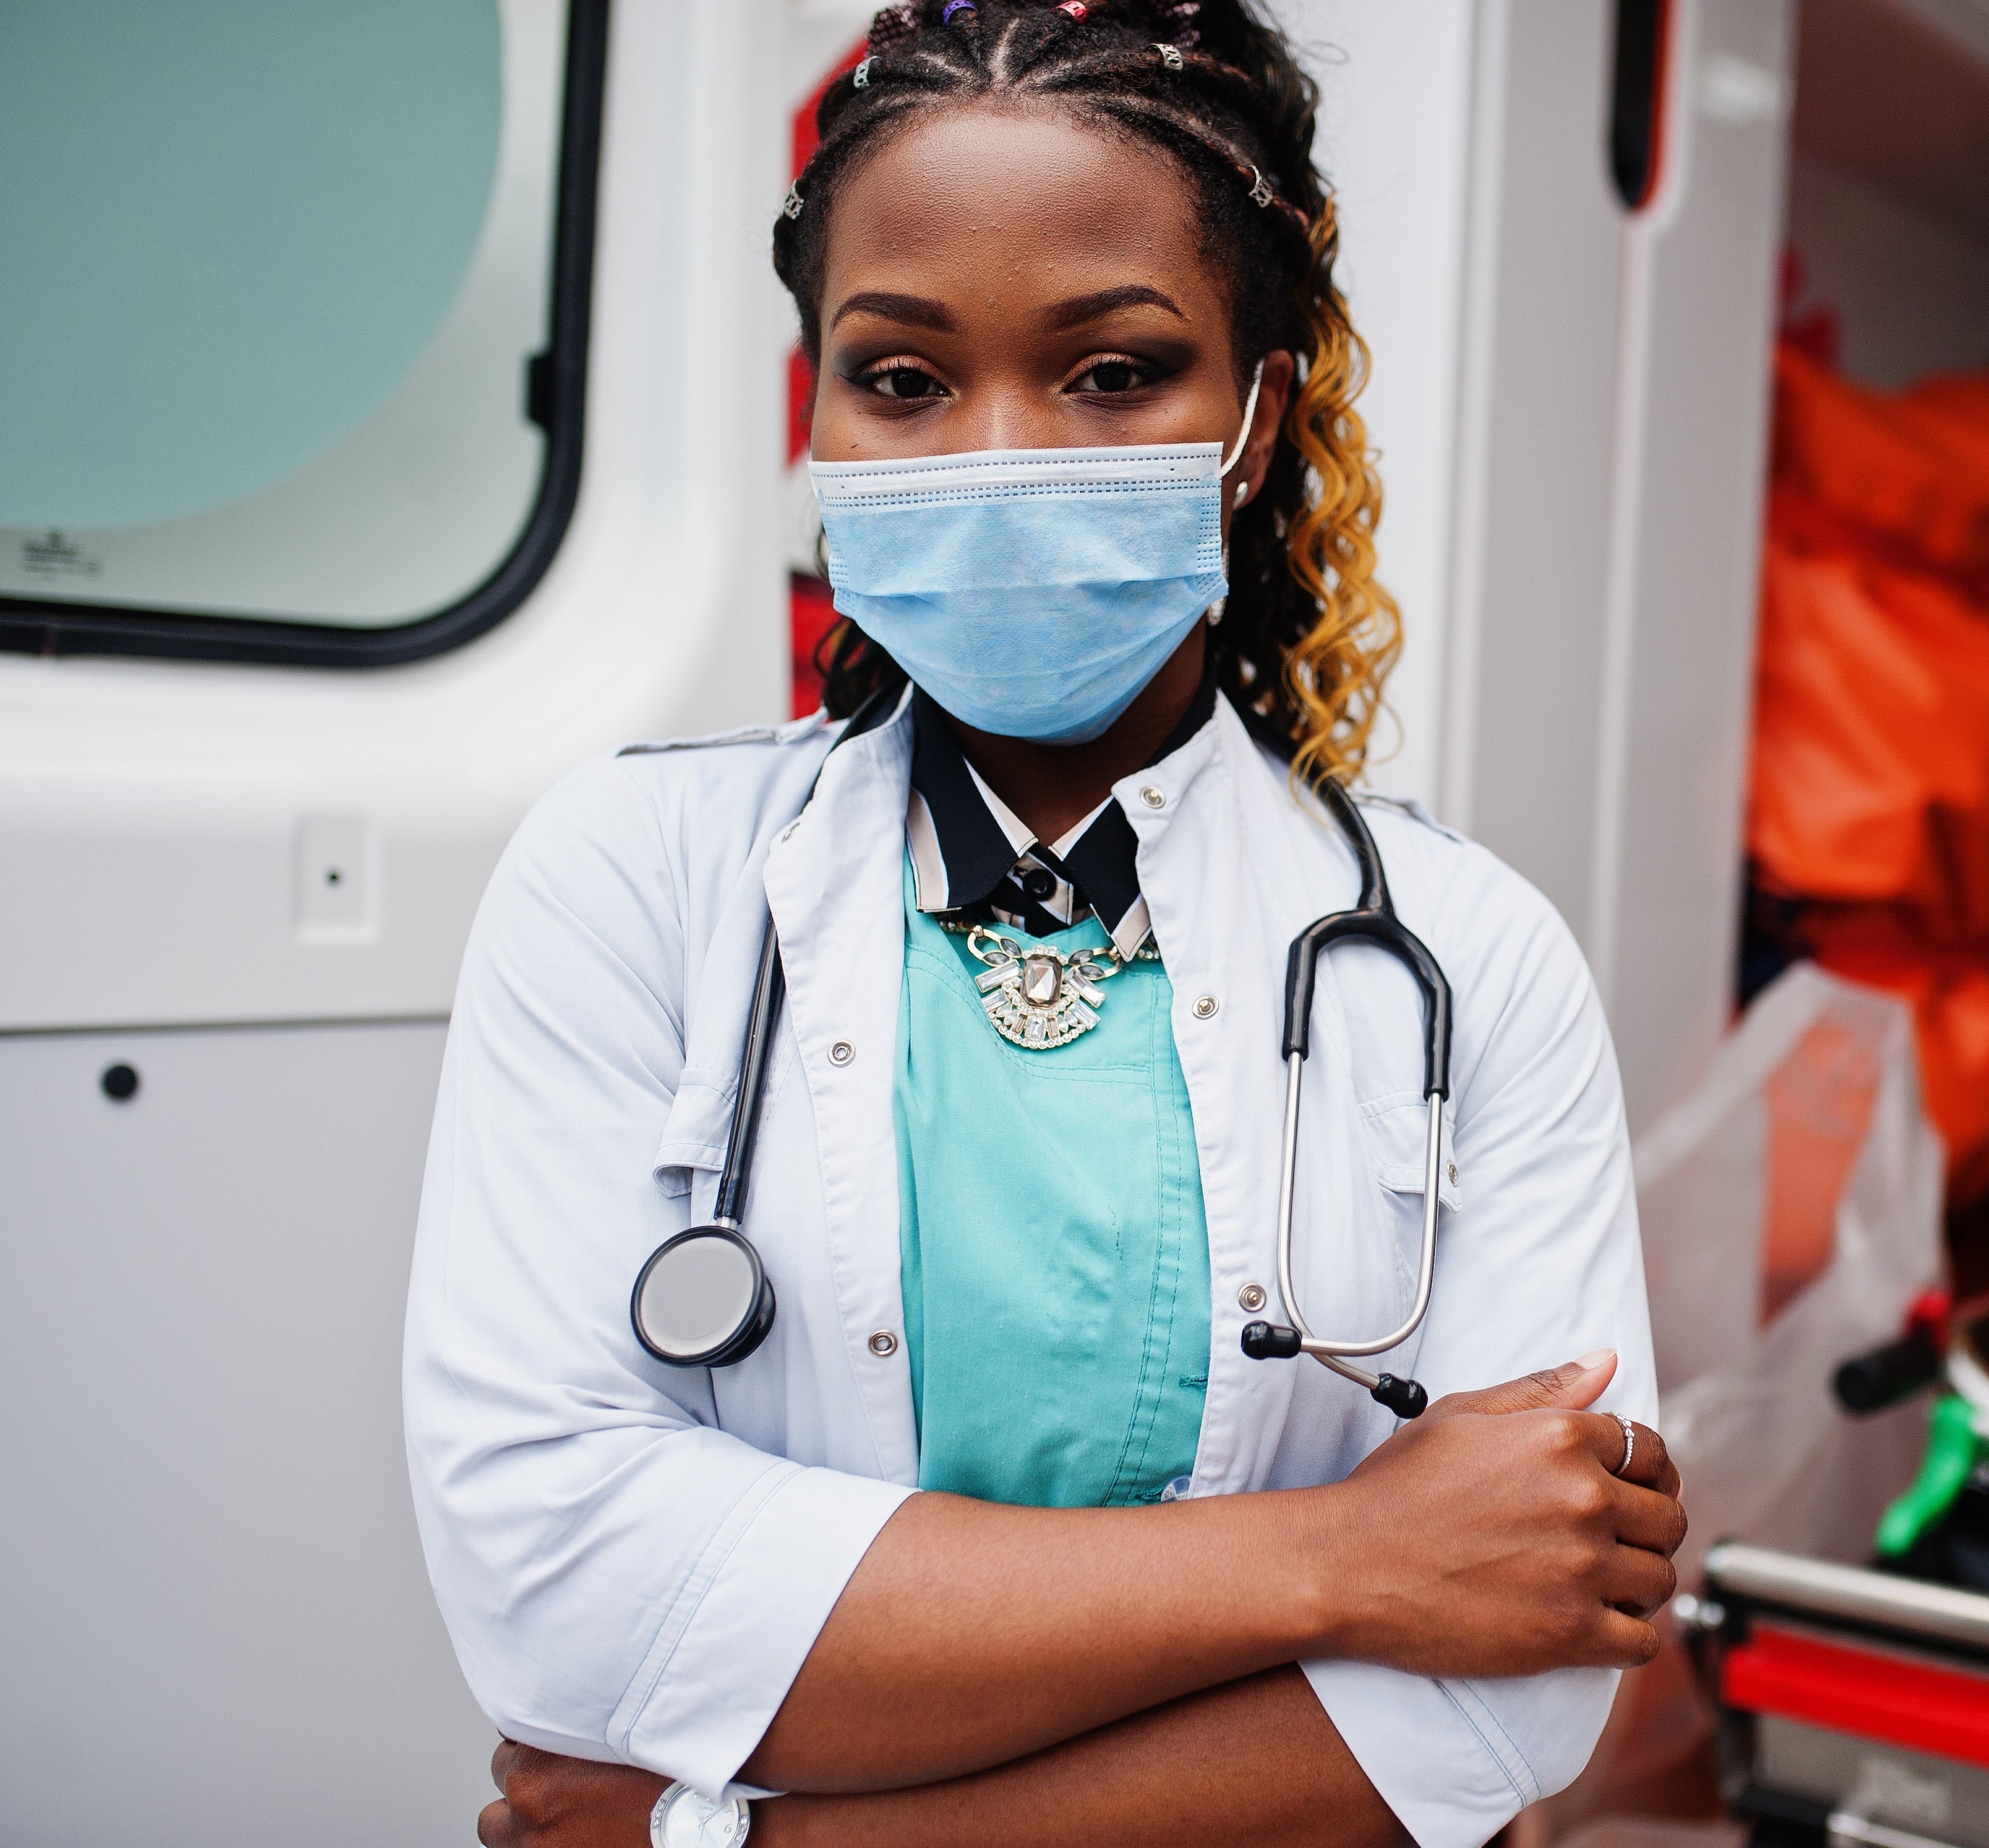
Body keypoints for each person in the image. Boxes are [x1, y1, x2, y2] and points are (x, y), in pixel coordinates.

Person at [406, 5, 1680, 1845]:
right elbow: (560, 1590)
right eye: (904, 380)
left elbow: (1518, 1692)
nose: (995, 454)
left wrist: (756, 1839)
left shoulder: (1472, 961)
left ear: (1257, 418)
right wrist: (1353, 1557)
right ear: (823, 419)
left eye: (1111, 373)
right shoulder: (632, 879)